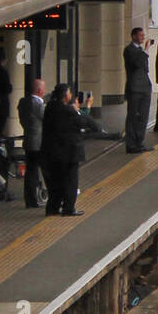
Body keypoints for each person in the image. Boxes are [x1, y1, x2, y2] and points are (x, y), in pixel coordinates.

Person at [41, 84, 92, 217]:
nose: (71, 95)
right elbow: (83, 122)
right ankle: (69, 208)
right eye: (69, 92)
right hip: (69, 153)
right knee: (70, 181)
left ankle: (52, 208)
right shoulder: (67, 110)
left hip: (51, 152)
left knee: (55, 182)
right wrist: (79, 109)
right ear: (65, 95)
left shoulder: (50, 107)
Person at [123, 27, 154, 153]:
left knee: (143, 116)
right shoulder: (129, 50)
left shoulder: (140, 51)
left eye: (143, 35)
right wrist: (146, 50)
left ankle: (140, 142)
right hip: (134, 88)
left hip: (145, 87)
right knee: (132, 117)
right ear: (133, 36)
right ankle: (131, 144)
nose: (142, 37)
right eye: (140, 35)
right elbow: (138, 63)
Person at [17, 78, 46, 208]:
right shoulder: (38, 104)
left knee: (31, 171)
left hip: (28, 139)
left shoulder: (23, 102)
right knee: (45, 170)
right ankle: (42, 197)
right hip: (39, 142)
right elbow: (46, 119)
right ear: (40, 90)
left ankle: (30, 199)